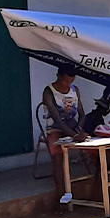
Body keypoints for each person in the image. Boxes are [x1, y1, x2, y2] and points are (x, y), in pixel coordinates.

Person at [40, 67, 89, 200]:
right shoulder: (49, 91)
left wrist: (79, 129)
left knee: (95, 150)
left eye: (71, 81)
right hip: (55, 129)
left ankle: (94, 191)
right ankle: (61, 195)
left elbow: (82, 114)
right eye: (65, 82)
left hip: (73, 128)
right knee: (57, 156)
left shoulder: (75, 90)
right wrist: (74, 135)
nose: (68, 84)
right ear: (58, 76)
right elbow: (56, 119)